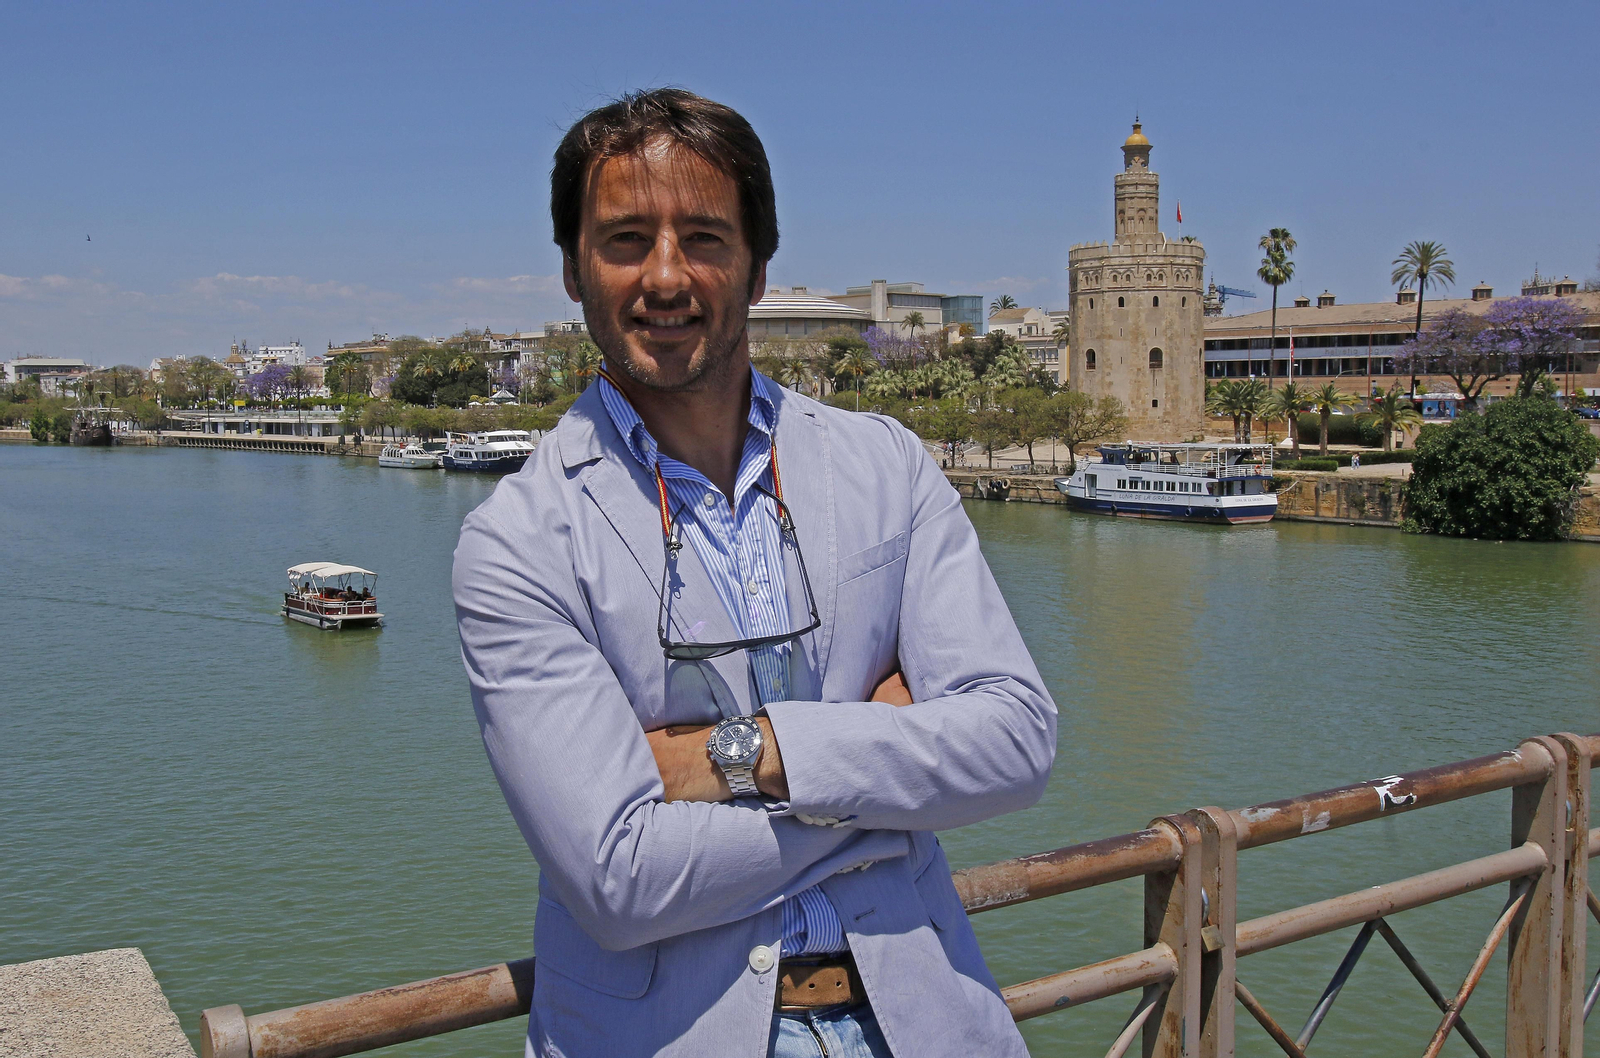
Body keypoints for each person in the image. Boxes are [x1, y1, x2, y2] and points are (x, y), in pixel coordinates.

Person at [453, 89, 1056, 1058]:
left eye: (702, 235)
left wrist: (744, 754)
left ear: (758, 264)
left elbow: (1016, 741)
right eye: (622, 238)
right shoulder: (521, 538)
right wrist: (888, 784)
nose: (664, 275)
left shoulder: (884, 465)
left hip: (926, 1020)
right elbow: (620, 879)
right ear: (571, 269)